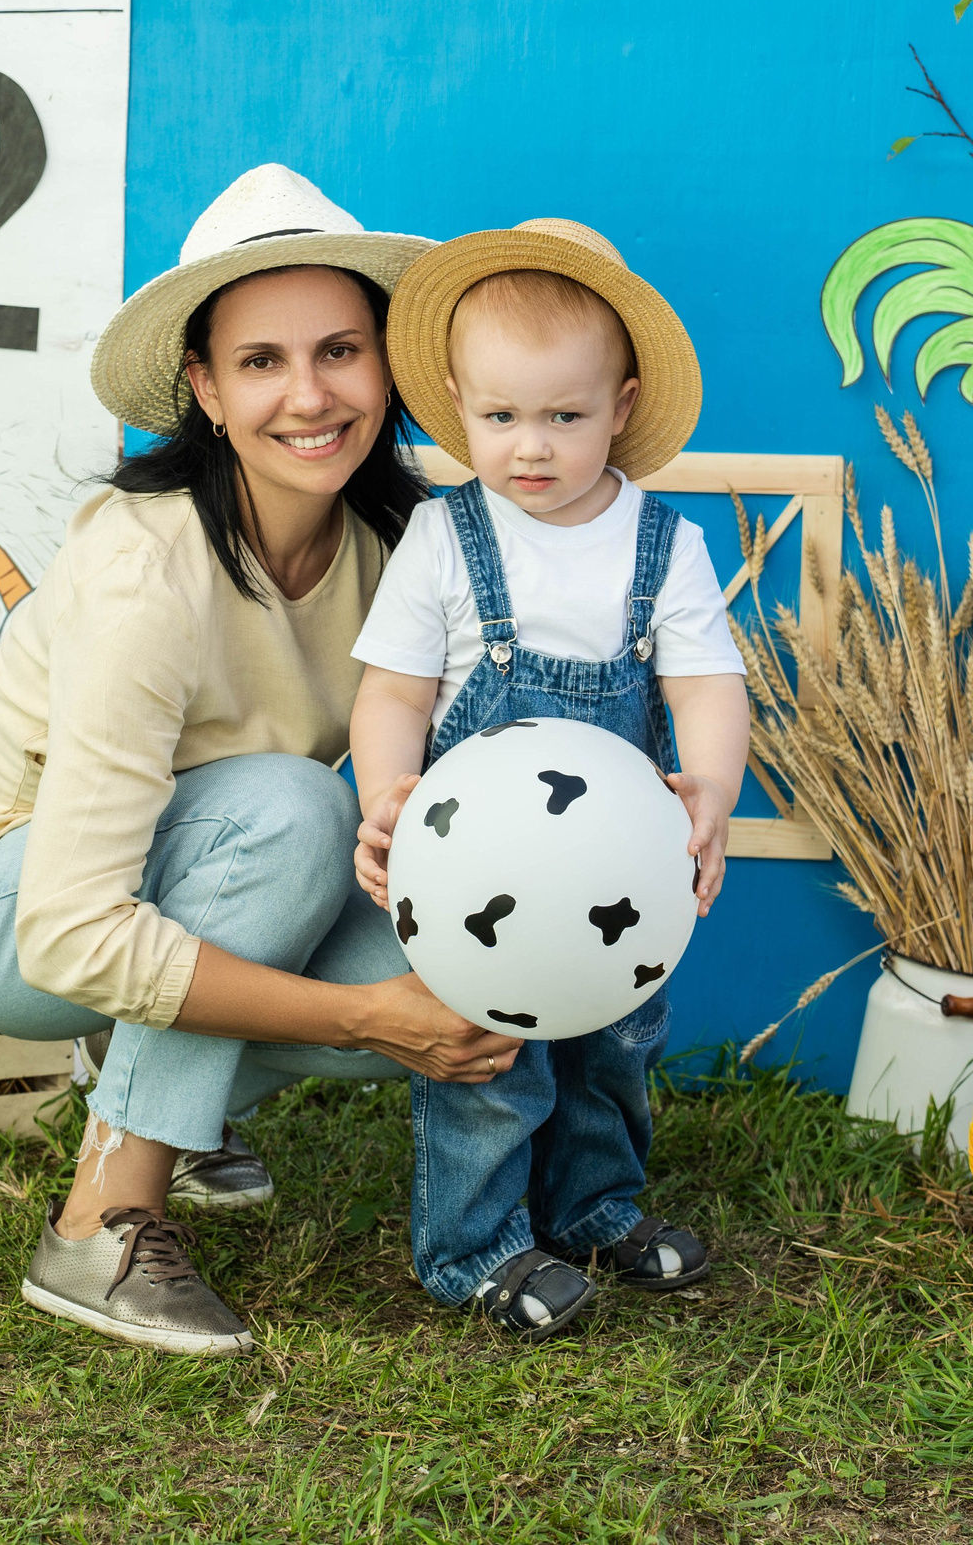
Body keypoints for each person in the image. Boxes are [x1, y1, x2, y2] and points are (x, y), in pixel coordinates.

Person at [0, 166, 523, 1357]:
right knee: (288, 809)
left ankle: (151, 1084)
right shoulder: (149, 568)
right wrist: (352, 1020)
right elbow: (69, 932)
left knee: (454, 953)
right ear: (203, 390)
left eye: (340, 350)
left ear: (388, 364)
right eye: (261, 362)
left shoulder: (404, 544)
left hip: (187, 869)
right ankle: (104, 1219)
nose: (309, 395)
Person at [346, 220, 750, 1341]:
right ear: (459, 406)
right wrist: (387, 790)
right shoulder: (442, 536)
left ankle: (594, 1209)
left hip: (618, 867)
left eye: (564, 416)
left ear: (620, 405)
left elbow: (708, 684)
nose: (531, 445)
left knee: (612, 1043)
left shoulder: (662, 545)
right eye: (500, 416)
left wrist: (710, 788)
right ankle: (476, 1245)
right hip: (483, 869)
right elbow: (392, 691)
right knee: (490, 1053)